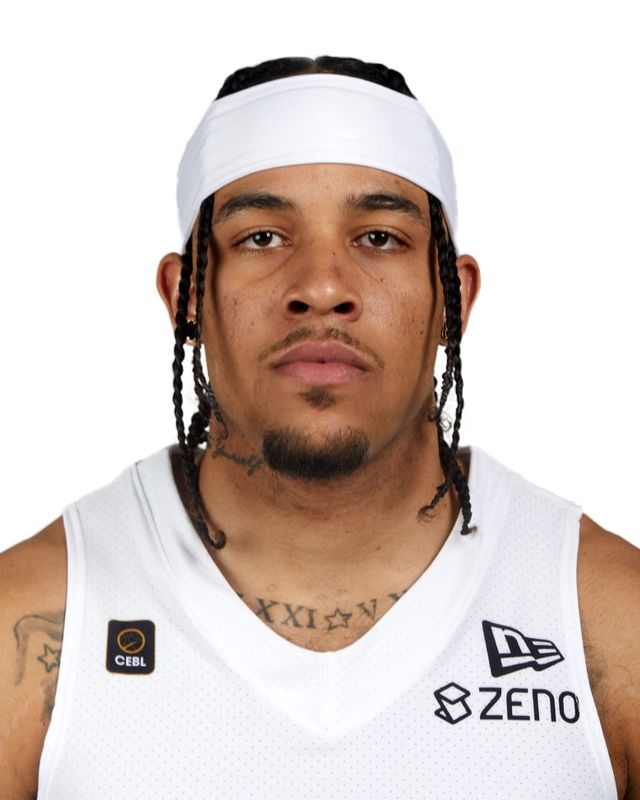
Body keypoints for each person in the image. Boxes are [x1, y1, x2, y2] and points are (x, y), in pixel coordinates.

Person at [0, 55, 637, 800]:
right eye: (263, 238)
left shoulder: (610, 621)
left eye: (380, 238)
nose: (323, 287)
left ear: (452, 300)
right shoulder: (34, 619)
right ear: (188, 295)